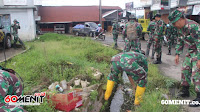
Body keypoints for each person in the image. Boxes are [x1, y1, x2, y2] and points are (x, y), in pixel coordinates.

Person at [168, 9, 200, 107]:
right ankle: (185, 91)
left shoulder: (193, 26)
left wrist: (199, 59)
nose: (174, 25)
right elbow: (180, 41)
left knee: (197, 73)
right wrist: (177, 54)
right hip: (190, 52)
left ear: (181, 19)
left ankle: (199, 97)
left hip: (198, 52)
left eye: (175, 23)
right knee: (185, 70)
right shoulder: (180, 29)